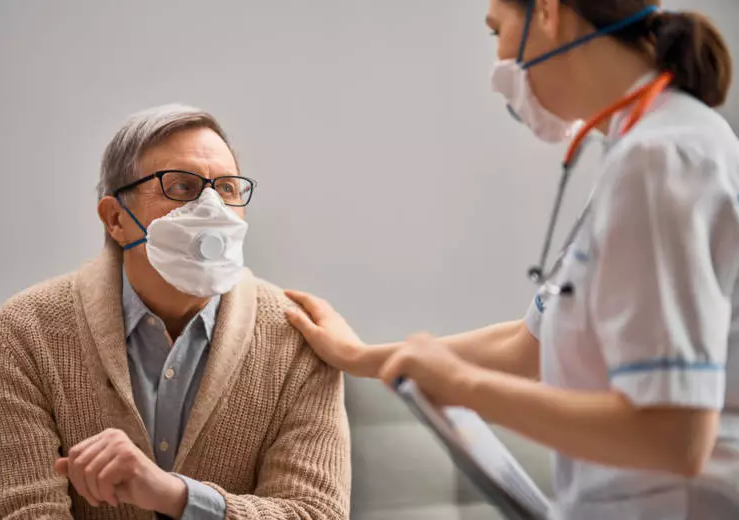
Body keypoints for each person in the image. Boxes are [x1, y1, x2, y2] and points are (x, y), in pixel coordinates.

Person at [285, 1, 739, 518]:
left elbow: (673, 437)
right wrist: (360, 356)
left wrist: (461, 386)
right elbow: (530, 345)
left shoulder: (660, 158)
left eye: (498, 30)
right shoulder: (646, 148)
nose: (499, 61)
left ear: (548, 12)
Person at [0, 104, 351, 520]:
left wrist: (175, 495)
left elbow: (315, 512)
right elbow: (23, 512)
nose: (212, 209)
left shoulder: (299, 335)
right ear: (116, 219)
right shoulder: (28, 330)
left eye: (227, 188)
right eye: (182, 187)